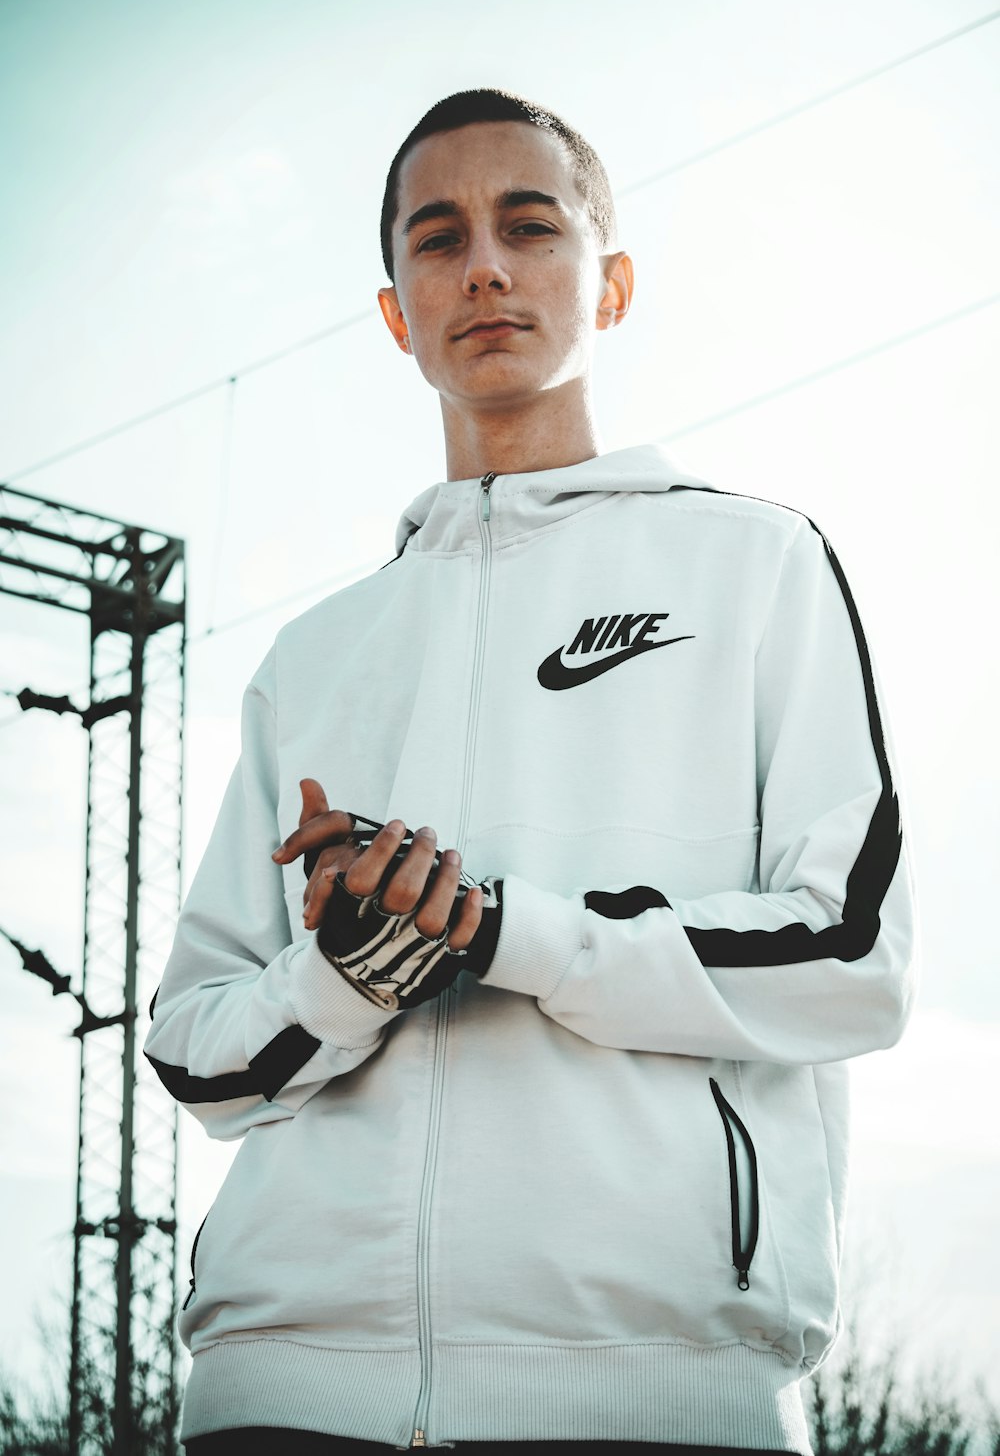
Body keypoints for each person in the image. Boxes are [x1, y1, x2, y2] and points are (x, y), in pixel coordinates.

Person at [144, 88, 917, 1456]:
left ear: (607, 283)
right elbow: (196, 1050)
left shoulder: (754, 564)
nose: (485, 266)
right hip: (276, 1397)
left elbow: (848, 957)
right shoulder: (315, 655)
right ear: (396, 309)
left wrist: (501, 929)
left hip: (645, 1387)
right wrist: (346, 973)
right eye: (437, 237)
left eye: (530, 224)